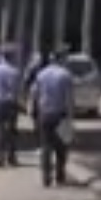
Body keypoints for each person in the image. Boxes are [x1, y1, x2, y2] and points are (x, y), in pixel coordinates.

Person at [31, 49, 74, 187]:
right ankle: (60, 175)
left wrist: (34, 110)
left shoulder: (41, 74)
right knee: (62, 146)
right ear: (60, 60)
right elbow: (69, 98)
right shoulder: (65, 75)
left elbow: (35, 93)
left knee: (46, 146)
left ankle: (46, 177)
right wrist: (71, 118)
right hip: (61, 114)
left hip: (45, 113)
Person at [0, 45, 21, 168]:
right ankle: (11, 156)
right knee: (11, 130)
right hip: (10, 102)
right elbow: (16, 89)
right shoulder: (15, 71)